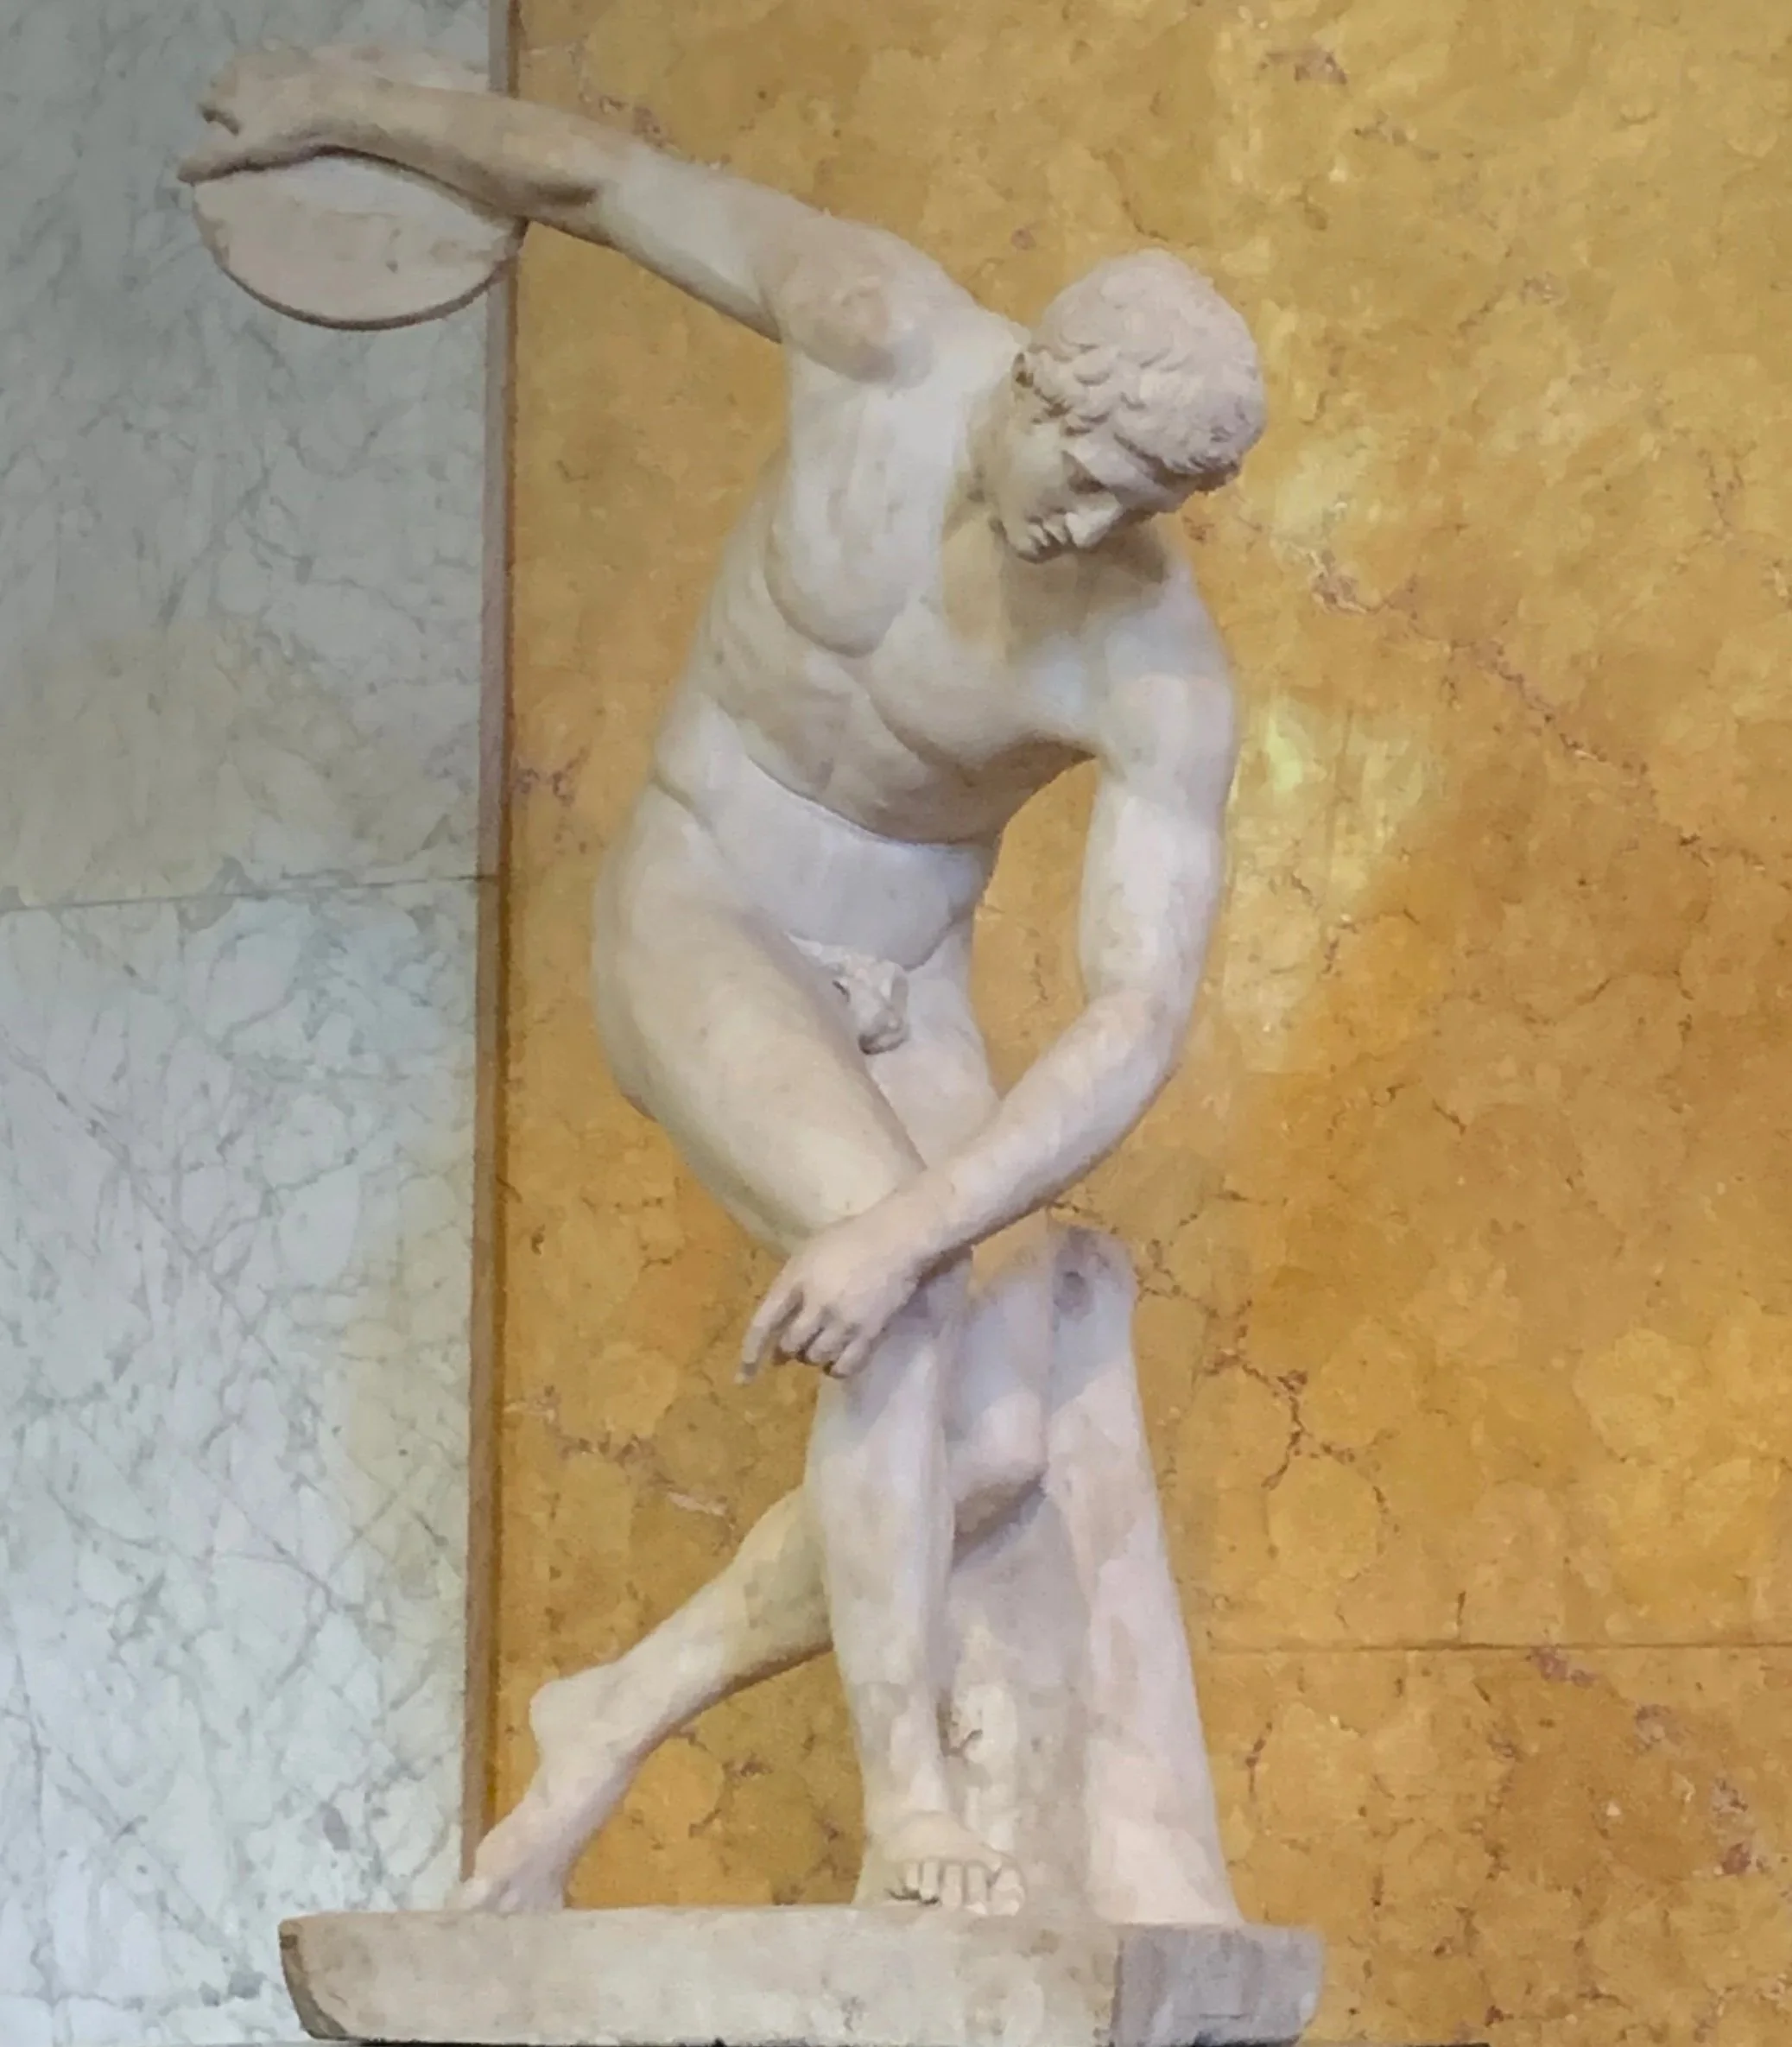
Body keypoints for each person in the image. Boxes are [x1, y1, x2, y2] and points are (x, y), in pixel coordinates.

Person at [183, 49, 1265, 1919]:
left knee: (996, 1448)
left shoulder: (1154, 671)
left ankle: (612, 1705)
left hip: (898, 976)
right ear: (1030, 380)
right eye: (1075, 471)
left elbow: (1132, 1014)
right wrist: (338, 108)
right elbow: (591, 183)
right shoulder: (876, 336)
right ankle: (907, 1814)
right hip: (702, 902)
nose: (1078, 529)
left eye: (1130, 510)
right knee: (898, 1299)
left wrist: (918, 1218)